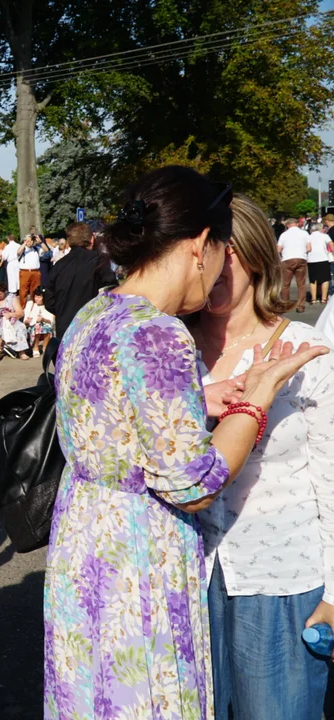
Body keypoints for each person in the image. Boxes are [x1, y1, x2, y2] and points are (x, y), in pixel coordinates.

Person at [45, 166, 327, 719]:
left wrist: (204, 398)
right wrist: (256, 399)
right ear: (202, 244)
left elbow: (120, 420)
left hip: (84, 549)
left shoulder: (98, 313)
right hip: (137, 562)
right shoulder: (161, 332)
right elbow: (192, 484)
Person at [188, 193, 334, 720]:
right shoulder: (168, 351)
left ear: (251, 253)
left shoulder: (303, 348)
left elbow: (331, 474)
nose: (209, 267)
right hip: (185, 576)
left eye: (222, 251)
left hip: (282, 577)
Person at [45, 221, 118, 338]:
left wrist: (65, 311)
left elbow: (49, 302)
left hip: (65, 331)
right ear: (92, 239)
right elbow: (113, 293)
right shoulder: (99, 261)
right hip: (91, 328)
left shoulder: (58, 266)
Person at [278, 217, 311, 313]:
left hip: (287, 259)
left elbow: (278, 249)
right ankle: (300, 305)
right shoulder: (304, 233)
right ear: (297, 224)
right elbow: (309, 248)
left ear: (287, 225)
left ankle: (285, 304)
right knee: (301, 284)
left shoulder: (284, 235)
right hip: (301, 258)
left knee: (285, 284)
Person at [23, 287, 55, 357]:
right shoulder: (30, 304)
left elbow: (52, 320)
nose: (36, 299)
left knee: (47, 327)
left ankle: (45, 347)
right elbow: (25, 321)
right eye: (35, 296)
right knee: (37, 327)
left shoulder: (48, 306)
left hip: (44, 325)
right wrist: (27, 321)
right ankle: (35, 348)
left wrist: (43, 319)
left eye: (39, 297)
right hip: (31, 327)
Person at [307, 221, 332, 305]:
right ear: (320, 228)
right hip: (323, 259)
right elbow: (331, 244)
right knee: (325, 279)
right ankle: (323, 299)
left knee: (313, 280)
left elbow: (307, 248)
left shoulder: (309, 237)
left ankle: (313, 299)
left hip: (311, 259)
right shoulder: (325, 236)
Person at [17, 234, 42, 306]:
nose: (29, 242)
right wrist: (25, 242)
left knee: (35, 290)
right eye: (28, 240)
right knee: (23, 291)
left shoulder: (36, 249)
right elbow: (18, 252)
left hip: (35, 272)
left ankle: (35, 306)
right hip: (25, 272)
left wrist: (40, 242)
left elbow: (46, 250)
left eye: (31, 240)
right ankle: (22, 307)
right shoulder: (23, 249)